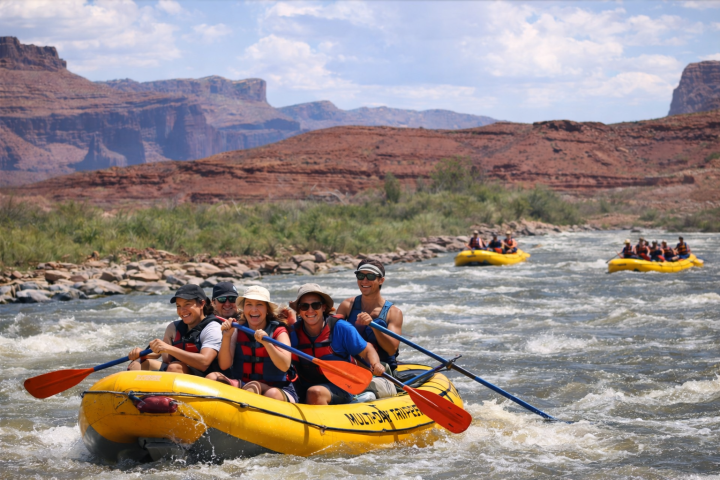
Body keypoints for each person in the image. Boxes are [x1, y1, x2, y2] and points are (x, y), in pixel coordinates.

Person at [289, 283, 387, 405]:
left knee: (315, 392)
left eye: (316, 305)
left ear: (323, 307)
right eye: (304, 306)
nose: (310, 310)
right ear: (299, 310)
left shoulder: (341, 328)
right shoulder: (292, 332)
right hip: (303, 385)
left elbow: (367, 350)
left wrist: (376, 364)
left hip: (341, 386)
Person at [206, 286, 297, 403]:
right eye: (249, 304)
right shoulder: (237, 329)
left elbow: (284, 365)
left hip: (278, 388)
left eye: (259, 304)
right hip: (244, 384)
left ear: (267, 309)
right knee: (212, 377)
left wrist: (267, 343)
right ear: (243, 308)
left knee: (266, 391)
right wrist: (227, 336)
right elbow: (224, 365)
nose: (254, 310)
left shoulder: (279, 331)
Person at [127, 284, 224, 376]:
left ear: (202, 304)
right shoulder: (173, 328)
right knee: (137, 364)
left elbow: (204, 363)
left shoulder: (212, 328)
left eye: (187, 304)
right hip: (175, 374)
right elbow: (165, 357)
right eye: (178, 306)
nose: (182, 310)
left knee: (175, 367)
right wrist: (142, 354)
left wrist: (169, 348)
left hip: (204, 379)